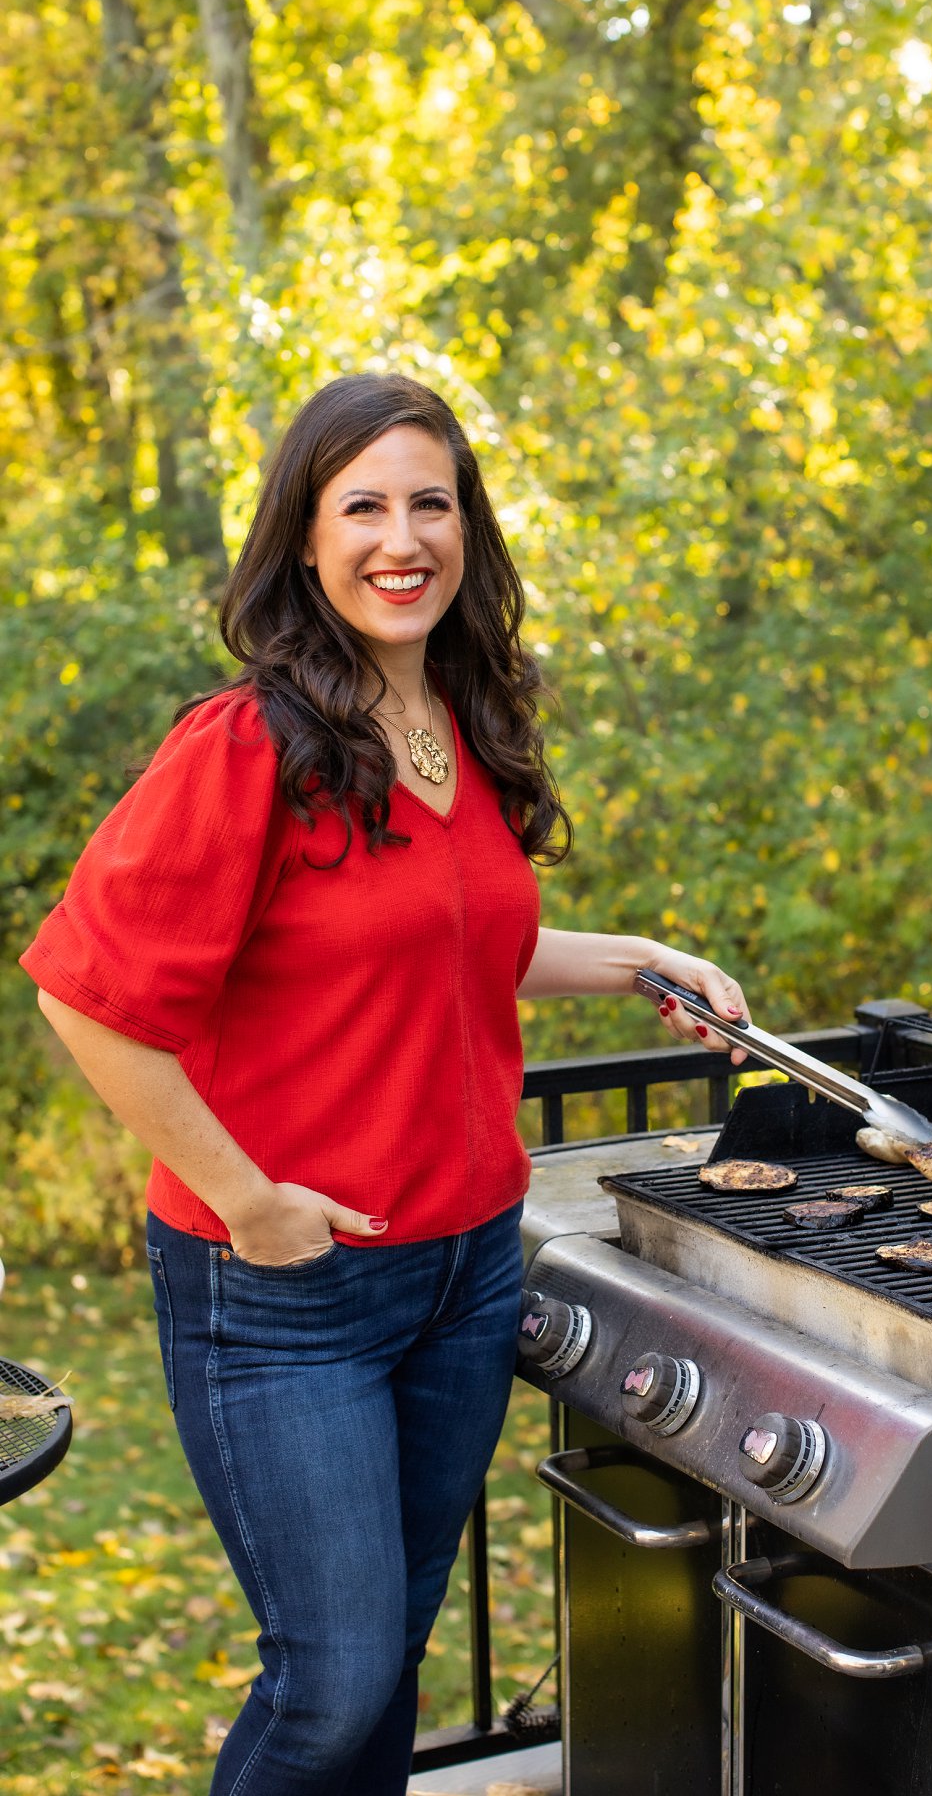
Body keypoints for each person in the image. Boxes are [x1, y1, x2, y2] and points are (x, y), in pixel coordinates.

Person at [19, 373, 750, 1795]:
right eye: (363, 505)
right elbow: (86, 998)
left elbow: (458, 941)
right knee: (333, 1681)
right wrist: (246, 1199)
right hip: (290, 1289)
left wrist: (638, 959)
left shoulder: (452, 727)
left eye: (432, 502)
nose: (400, 537)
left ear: (467, 528)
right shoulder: (242, 750)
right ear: (303, 537)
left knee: (390, 1666)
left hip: (464, 1271)